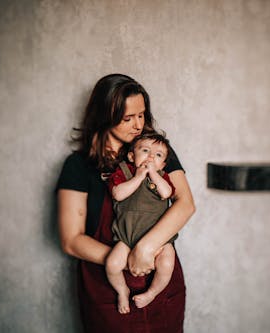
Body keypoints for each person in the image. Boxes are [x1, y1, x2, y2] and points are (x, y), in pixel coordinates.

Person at [56, 74, 195, 333]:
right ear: (104, 117)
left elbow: (185, 204)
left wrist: (146, 248)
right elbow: (71, 239)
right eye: (127, 118)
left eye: (142, 115)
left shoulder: (157, 150)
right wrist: (125, 258)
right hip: (107, 287)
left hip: (159, 275)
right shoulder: (78, 166)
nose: (138, 125)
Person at [106, 132, 178, 314]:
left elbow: (166, 193)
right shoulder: (123, 172)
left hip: (158, 240)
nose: (151, 157)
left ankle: (152, 293)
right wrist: (138, 177)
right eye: (145, 150)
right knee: (112, 264)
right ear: (132, 156)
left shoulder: (162, 176)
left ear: (163, 165)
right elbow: (118, 194)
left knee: (168, 263)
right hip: (127, 236)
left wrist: (153, 173)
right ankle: (122, 290)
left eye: (158, 155)